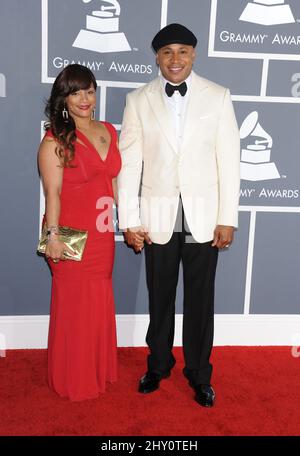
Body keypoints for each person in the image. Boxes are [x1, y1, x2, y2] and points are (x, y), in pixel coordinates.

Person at [117, 24, 240, 407]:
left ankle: (200, 373)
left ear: (194, 54)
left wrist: (228, 217)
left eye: (183, 51)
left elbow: (229, 162)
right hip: (157, 215)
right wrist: (130, 220)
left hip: (205, 215)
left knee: (201, 301)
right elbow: (130, 164)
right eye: (167, 52)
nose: (175, 59)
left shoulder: (218, 97)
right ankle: (158, 364)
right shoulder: (138, 99)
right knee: (160, 298)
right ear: (156, 56)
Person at [38, 64, 121, 401]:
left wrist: (131, 220)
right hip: (68, 235)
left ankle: (96, 370)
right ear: (64, 99)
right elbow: (52, 195)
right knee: (74, 308)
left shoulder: (109, 131)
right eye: (75, 92)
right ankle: (73, 379)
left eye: (89, 90)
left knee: (96, 303)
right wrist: (53, 238)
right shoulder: (55, 140)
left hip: (101, 237)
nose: (84, 98)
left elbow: (113, 182)